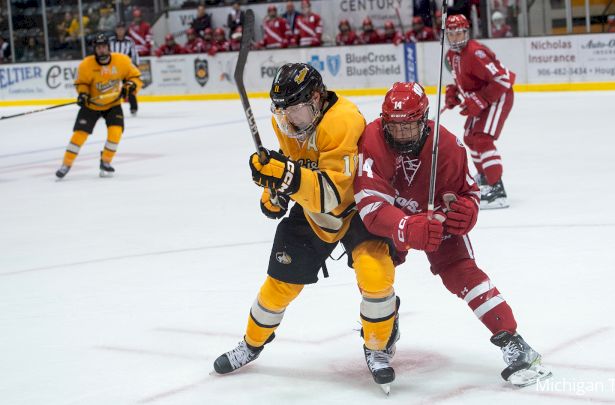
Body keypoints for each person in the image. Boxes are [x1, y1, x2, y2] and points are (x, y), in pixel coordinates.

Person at [213, 63, 401, 393]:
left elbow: (332, 193)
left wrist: (285, 176)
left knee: (375, 275)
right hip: (315, 209)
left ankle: (377, 347)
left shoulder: (343, 120)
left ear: (317, 98)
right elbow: (297, 167)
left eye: (295, 112)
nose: (287, 122)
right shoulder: (287, 121)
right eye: (282, 113)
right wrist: (274, 188)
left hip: (359, 205)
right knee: (279, 285)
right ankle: (252, 343)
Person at [354, 81, 552, 388]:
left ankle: (513, 341)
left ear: (424, 120)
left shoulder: (447, 146)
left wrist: (467, 210)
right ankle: (378, 339)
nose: (401, 135)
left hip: (434, 219)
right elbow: (370, 206)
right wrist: (407, 228)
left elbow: (468, 191)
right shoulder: (371, 139)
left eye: (409, 127)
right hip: (390, 222)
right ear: (383, 121)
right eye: (394, 127)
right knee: (374, 271)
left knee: (463, 274)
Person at [445, 14, 514, 209]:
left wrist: (480, 99)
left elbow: (502, 80)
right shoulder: (451, 56)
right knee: (469, 137)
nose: (455, 38)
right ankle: (484, 176)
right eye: (451, 34)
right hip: (482, 98)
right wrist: (453, 93)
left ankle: (497, 190)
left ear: (466, 32)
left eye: (459, 33)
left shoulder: (476, 53)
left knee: (482, 138)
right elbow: (460, 80)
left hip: (498, 97)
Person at [55, 34, 142, 180]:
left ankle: (106, 161)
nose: (101, 50)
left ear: (108, 47)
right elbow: (81, 83)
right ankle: (66, 164)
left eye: (104, 47)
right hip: (91, 105)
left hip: (113, 104)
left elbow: (135, 77)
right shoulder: (86, 64)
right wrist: (83, 94)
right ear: (95, 49)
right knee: (79, 134)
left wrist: (130, 86)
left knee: (115, 133)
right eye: (98, 47)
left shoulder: (122, 60)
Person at [110, 22, 140, 116]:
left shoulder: (129, 41)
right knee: (109, 89)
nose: (120, 31)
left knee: (130, 87)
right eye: (118, 29)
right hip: (113, 69)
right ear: (115, 30)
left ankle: (133, 108)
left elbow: (134, 54)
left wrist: (136, 65)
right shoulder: (110, 41)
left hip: (125, 68)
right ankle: (107, 109)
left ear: (124, 30)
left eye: (122, 29)